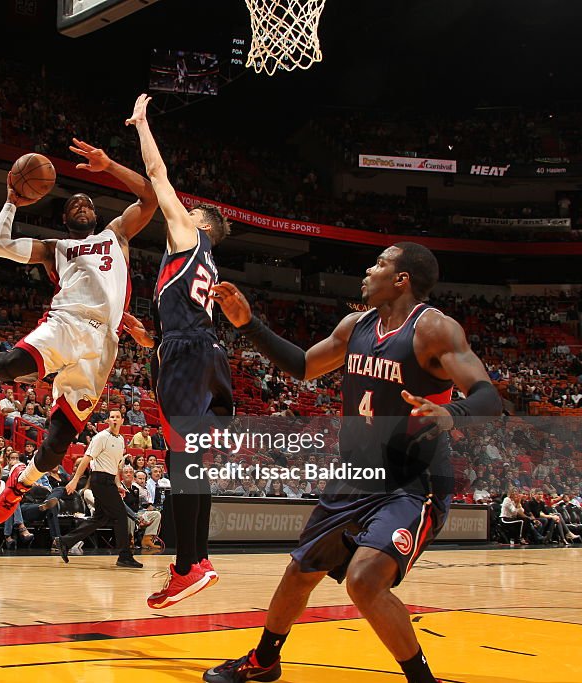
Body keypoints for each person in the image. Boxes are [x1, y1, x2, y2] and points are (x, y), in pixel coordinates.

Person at [202, 243, 501, 683]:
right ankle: (265, 660)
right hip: (356, 475)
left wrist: (451, 414)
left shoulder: (434, 329)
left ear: (402, 279)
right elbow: (304, 365)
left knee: (364, 582)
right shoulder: (354, 325)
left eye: (380, 263)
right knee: (299, 572)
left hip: (411, 481)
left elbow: (489, 397)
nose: (368, 269)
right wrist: (249, 325)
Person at [0, 130, 158, 528]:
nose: (82, 206)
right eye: (74, 204)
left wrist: (108, 166)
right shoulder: (54, 247)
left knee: (58, 444)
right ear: (64, 217)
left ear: (95, 214)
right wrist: (10, 201)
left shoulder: (117, 234)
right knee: (13, 362)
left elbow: (151, 197)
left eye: (87, 203)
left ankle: (19, 484)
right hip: (65, 322)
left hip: (102, 346)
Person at [124, 92, 233, 608]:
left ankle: (187, 566)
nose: (178, 213)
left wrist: (142, 125)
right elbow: (186, 321)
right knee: (195, 461)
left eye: (188, 212)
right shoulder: (206, 265)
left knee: (181, 460)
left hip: (189, 354)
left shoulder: (190, 234)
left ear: (201, 222)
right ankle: (200, 558)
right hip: (207, 356)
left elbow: (158, 176)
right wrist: (149, 340)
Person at [56, 407, 142, 567]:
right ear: (108, 420)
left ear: (122, 420)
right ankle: (124, 556)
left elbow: (115, 465)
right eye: (112, 417)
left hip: (109, 480)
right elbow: (86, 459)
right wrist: (75, 479)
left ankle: (65, 541)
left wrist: (118, 484)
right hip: (99, 480)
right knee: (121, 515)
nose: (114, 419)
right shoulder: (101, 437)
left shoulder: (120, 439)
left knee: (100, 518)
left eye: (117, 417)